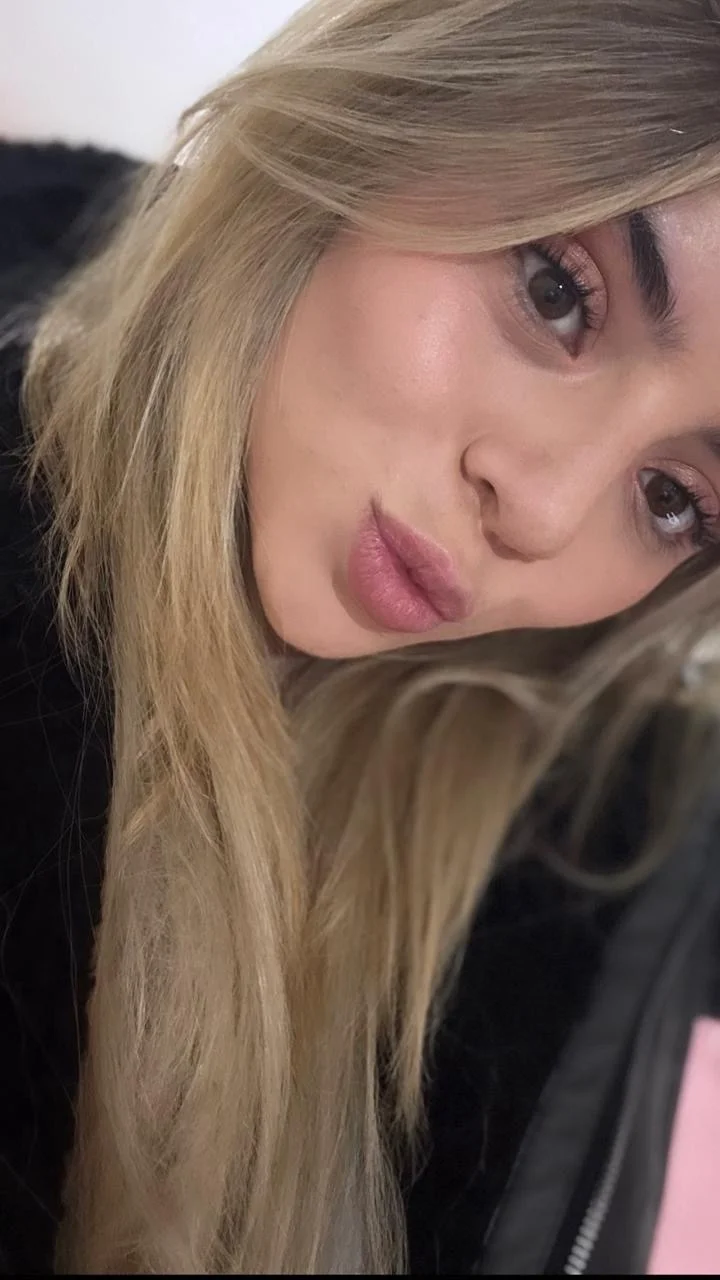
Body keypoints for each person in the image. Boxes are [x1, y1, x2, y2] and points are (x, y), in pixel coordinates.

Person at [2, 0, 720, 1272]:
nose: (544, 510)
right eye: (559, 290)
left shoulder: (576, 849)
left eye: (675, 498)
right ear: (387, 111)